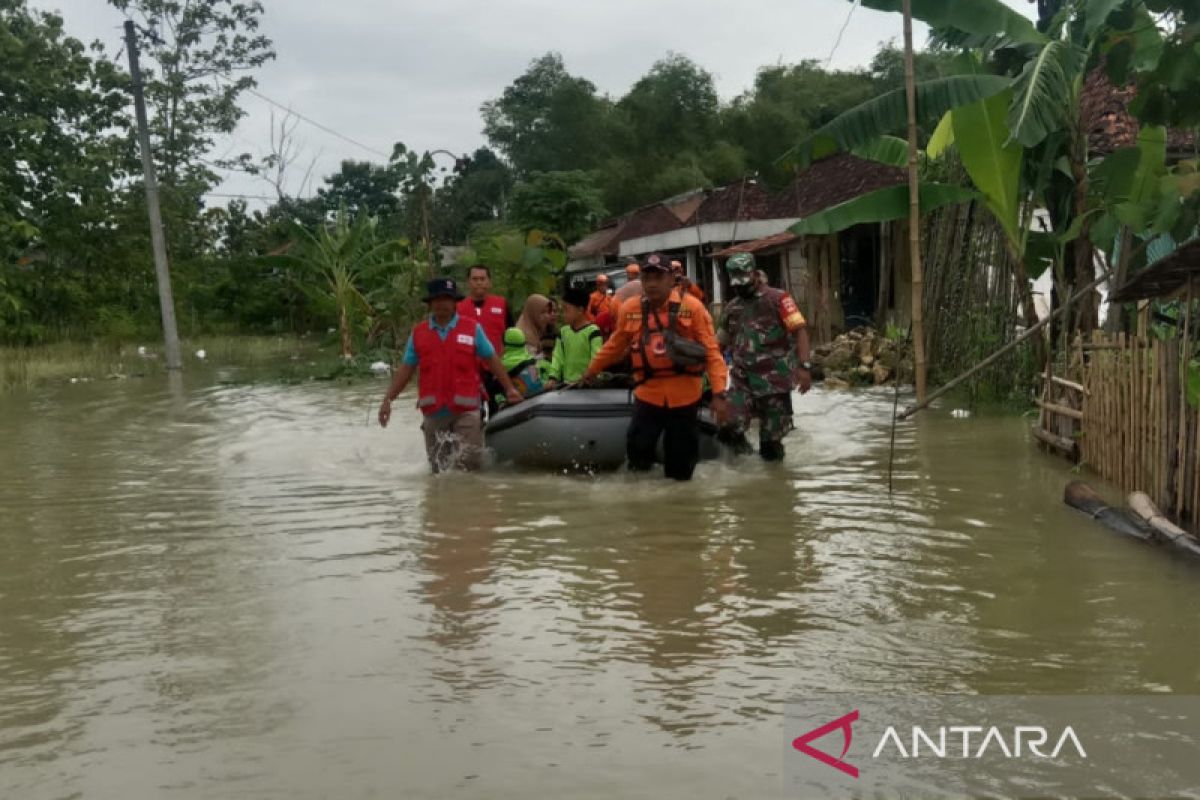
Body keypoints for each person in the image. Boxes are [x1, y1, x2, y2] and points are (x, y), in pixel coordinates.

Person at [583, 253, 730, 481]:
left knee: (681, 465)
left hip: (685, 395)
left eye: (658, 278)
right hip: (647, 394)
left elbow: (712, 351)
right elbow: (614, 345)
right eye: (646, 278)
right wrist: (591, 371)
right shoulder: (630, 308)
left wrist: (719, 393)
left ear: (671, 279)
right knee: (637, 454)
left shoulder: (692, 307)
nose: (651, 284)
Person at [380, 277, 523, 472]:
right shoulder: (419, 334)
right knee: (438, 471)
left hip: (467, 411)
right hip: (434, 413)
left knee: (470, 467)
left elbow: (492, 359)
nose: (442, 304)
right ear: (430, 304)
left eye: (447, 299)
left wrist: (510, 389)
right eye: (437, 299)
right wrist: (388, 399)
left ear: (455, 302)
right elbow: (406, 369)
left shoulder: (472, 329)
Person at [716, 252, 813, 462]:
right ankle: (747, 463)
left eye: (744, 281)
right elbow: (718, 346)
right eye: (736, 283)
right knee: (728, 428)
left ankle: (772, 480)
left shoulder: (779, 299)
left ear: (755, 275)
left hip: (774, 383)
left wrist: (804, 366)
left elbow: (800, 330)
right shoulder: (732, 308)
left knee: (771, 445)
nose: (740, 287)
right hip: (742, 380)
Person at [546, 287, 603, 385]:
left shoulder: (593, 331)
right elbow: (558, 357)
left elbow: (596, 357)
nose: (563, 314)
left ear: (580, 310)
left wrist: (591, 374)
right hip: (567, 384)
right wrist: (553, 377)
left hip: (588, 384)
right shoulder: (563, 332)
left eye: (566, 310)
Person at [457, 264, 511, 353]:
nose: (479, 282)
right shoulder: (458, 308)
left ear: (489, 282)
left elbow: (510, 333)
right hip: (467, 361)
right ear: (468, 282)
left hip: (496, 362)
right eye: (475, 279)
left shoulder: (502, 304)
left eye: (482, 279)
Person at [495, 327, 546, 403]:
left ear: (505, 344)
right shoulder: (532, 359)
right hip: (538, 399)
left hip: (517, 404)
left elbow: (496, 390)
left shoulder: (503, 365)